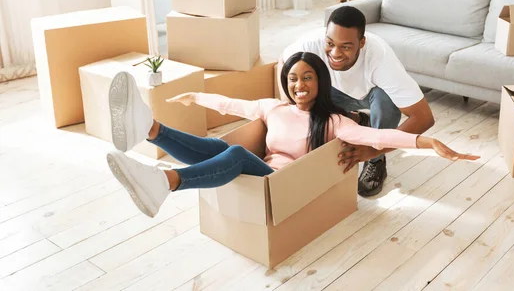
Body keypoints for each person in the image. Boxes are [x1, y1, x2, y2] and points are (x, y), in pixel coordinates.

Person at [106, 52, 478, 218]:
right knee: (224, 147)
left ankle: (166, 182)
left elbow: (378, 136)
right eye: (292, 78)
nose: (298, 84)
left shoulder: (334, 122)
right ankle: (150, 128)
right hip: (262, 172)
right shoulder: (274, 108)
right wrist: (196, 96)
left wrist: (427, 141)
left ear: (320, 81)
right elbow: (233, 105)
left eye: (307, 77)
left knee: (233, 156)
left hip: (285, 186)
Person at [279, 6, 435, 197]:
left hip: (371, 98)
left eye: (345, 46)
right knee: (305, 86)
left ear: (361, 42)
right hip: (333, 94)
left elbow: (424, 118)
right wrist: (291, 110)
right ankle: (358, 120)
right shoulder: (311, 44)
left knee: (386, 98)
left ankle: (377, 162)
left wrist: (372, 150)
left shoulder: (381, 60)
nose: (335, 53)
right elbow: (284, 62)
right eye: (330, 43)